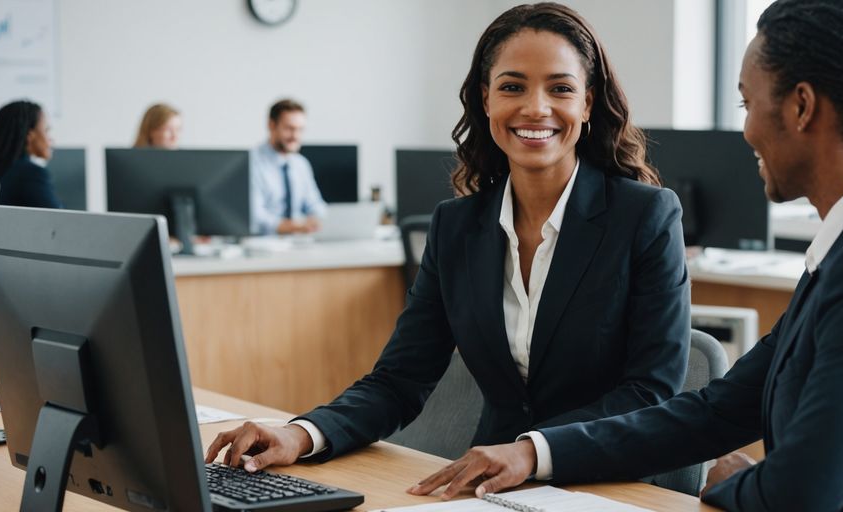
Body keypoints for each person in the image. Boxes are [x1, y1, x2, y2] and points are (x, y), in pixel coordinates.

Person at [410, 1, 843, 510]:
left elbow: (803, 491)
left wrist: (718, 484)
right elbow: (719, 411)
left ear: (800, 107)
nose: (744, 132)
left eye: (747, 105)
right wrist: (534, 453)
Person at [206, 2, 691, 488]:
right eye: (512, 86)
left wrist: (532, 451)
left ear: (587, 104)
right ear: (486, 100)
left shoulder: (645, 216)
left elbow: (651, 392)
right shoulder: (456, 226)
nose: (535, 107)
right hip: (490, 491)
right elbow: (399, 380)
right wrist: (303, 433)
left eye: (560, 88)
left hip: (608, 484)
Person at [249, 98, 327, 235]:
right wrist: (295, 227)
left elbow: (315, 205)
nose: (295, 136)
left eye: (300, 130)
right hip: (266, 243)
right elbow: (255, 216)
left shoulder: (301, 164)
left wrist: (318, 220)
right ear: (271, 125)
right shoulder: (251, 163)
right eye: (289, 129)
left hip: (300, 242)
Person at [0, 100, 61, 209]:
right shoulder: (31, 174)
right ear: (30, 135)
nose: (51, 140)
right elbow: (60, 223)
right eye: (46, 130)